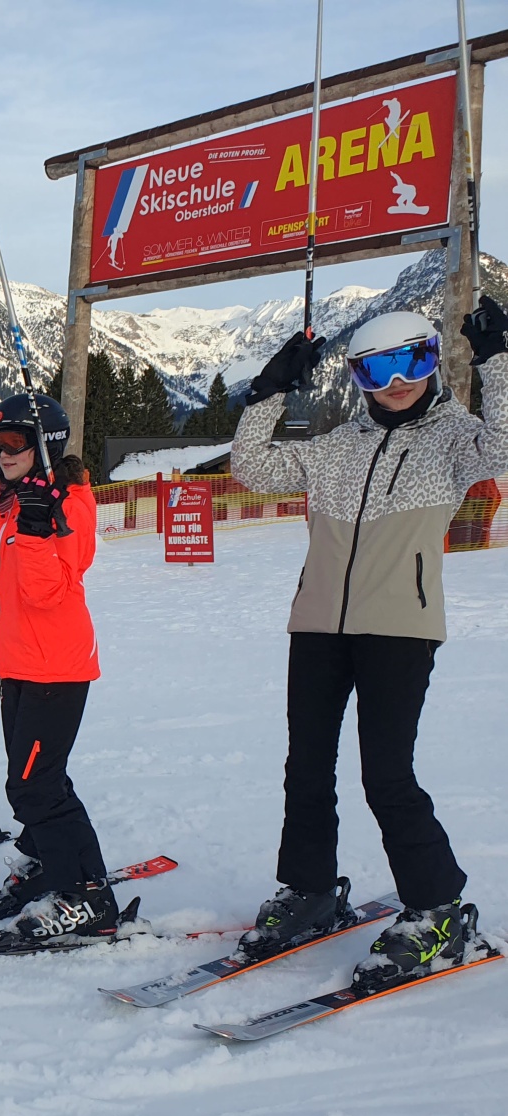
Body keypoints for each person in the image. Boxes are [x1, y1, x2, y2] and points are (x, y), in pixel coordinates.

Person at [229, 301, 508, 992]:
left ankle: (437, 908)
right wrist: (268, 391)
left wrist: (497, 362)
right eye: (377, 369)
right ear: (357, 378)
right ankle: (309, 890)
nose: (397, 381)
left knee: (385, 773)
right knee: (306, 766)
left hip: (400, 626)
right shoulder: (335, 448)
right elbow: (251, 467)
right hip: (318, 625)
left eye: (412, 360)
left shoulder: (454, 440)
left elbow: (505, 448)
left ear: (433, 361)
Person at [0, 394, 120, 949]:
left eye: (15, 442)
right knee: (38, 781)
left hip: (55, 670)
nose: (4, 453)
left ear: (45, 444)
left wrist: (36, 531)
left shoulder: (69, 506)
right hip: (16, 667)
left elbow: (47, 593)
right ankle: (46, 860)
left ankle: (85, 896)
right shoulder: (3, 506)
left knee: (34, 788)